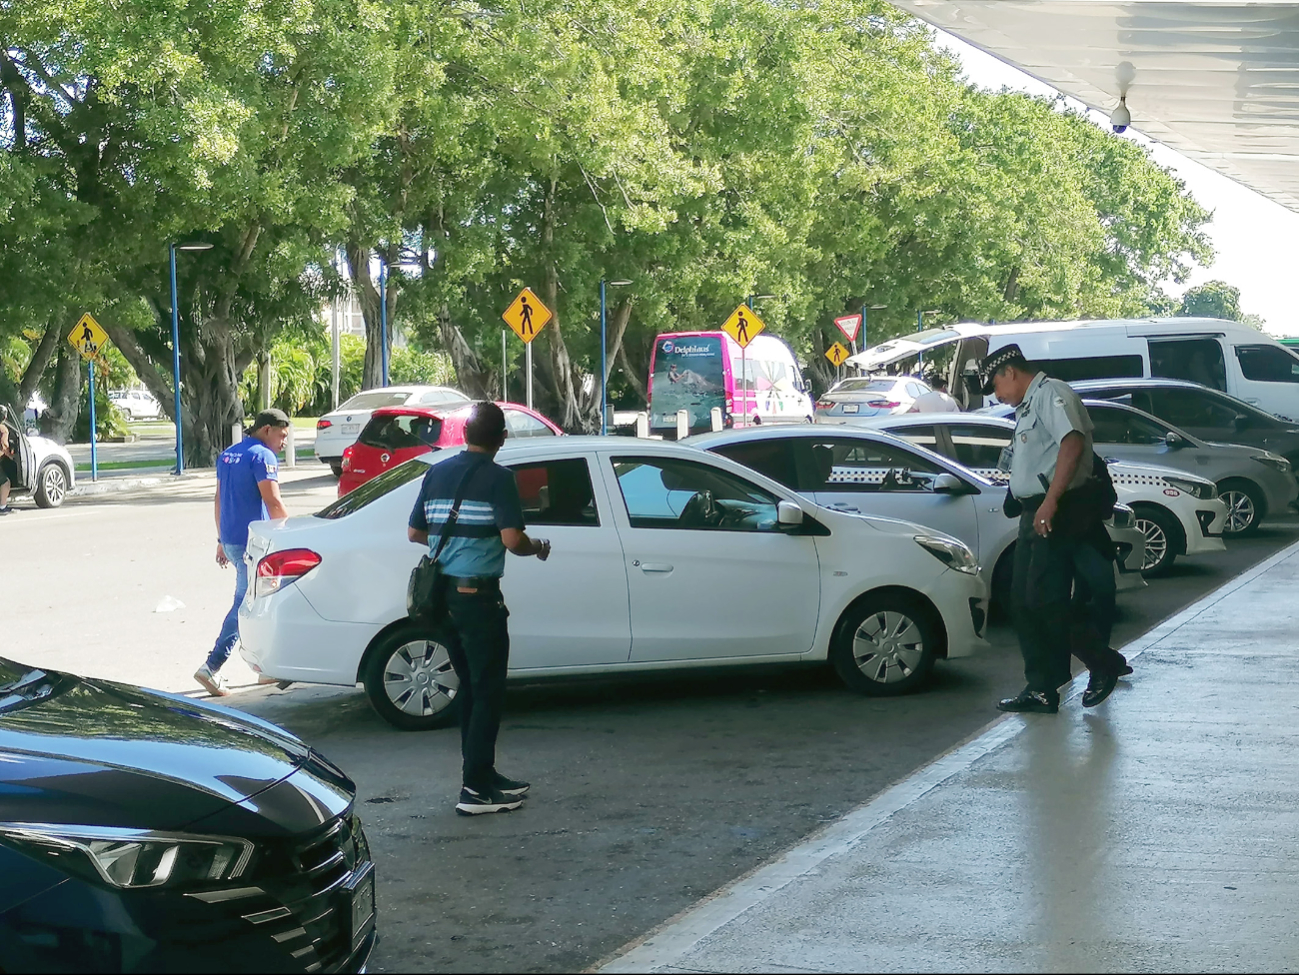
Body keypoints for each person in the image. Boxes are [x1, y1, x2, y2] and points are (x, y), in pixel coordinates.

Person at [408, 402, 551, 816]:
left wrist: (452, 544)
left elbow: (416, 532)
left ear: (466, 434)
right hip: (480, 600)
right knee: (487, 690)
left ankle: (483, 775)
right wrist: (537, 547)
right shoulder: (500, 479)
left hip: (444, 600)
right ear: (502, 438)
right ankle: (475, 790)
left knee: (470, 688)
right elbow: (512, 540)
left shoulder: (436, 472)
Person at [980, 345, 1125, 713]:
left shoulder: (1052, 394)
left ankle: (1101, 664)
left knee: (1047, 600)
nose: (996, 395)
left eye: (996, 385)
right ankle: (1042, 686)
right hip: (1036, 511)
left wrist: (1050, 500)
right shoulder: (1027, 406)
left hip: (1059, 511)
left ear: (1010, 372)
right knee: (1024, 601)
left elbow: (1072, 442)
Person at [194, 409, 290, 697]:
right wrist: (292, 535)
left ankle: (267, 667)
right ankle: (212, 666)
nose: (284, 442)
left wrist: (222, 540)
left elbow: (218, 499)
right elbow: (273, 502)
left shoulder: (228, 454)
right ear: (266, 430)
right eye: (281, 435)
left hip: (234, 541)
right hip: (255, 543)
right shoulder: (262, 456)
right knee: (245, 603)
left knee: (264, 600)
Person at [0, 417, 15, 515]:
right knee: (5, 482)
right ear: (4, 417)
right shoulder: (3, 429)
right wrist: (11, 456)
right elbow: (4, 445)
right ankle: (2, 507)